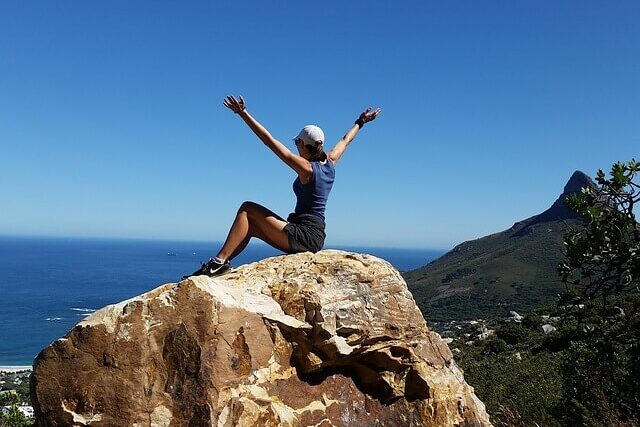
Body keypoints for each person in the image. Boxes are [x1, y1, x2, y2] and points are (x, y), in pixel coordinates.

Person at [184, 95, 381, 278]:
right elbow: (346, 140)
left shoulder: (307, 169)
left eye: (297, 142)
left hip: (304, 235)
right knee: (250, 226)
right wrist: (361, 121)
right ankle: (222, 264)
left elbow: (269, 141)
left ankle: (217, 264)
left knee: (247, 208)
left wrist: (243, 113)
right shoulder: (331, 161)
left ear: (304, 145)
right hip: (314, 234)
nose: (296, 145)